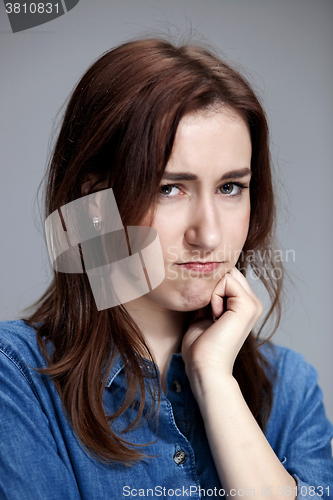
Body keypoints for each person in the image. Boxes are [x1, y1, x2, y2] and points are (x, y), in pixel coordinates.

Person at [0, 38, 332, 500]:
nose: (209, 235)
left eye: (231, 187)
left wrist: (214, 381)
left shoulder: (290, 390)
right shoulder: (15, 376)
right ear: (95, 204)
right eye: (170, 189)